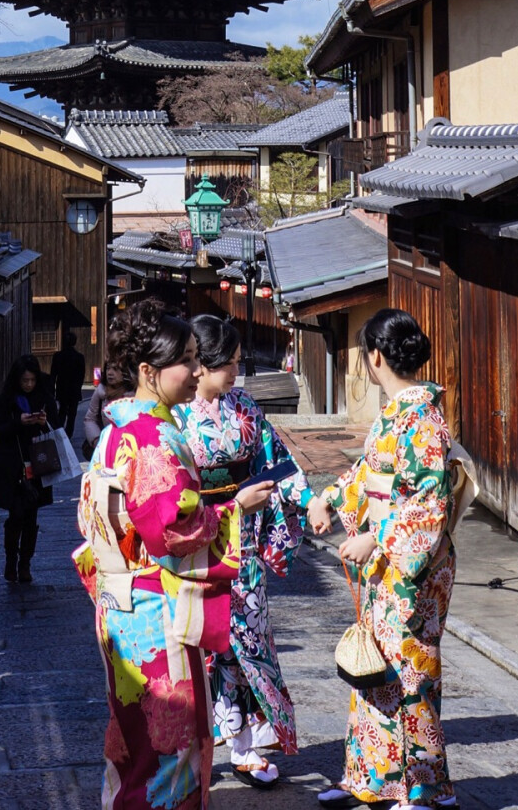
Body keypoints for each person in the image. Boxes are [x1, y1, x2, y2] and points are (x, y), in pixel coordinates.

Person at [75, 298, 275, 810]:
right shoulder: (155, 436)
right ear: (148, 371)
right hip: (154, 607)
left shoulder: (116, 429)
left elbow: (91, 519)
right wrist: (234, 509)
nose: (195, 371)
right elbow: (173, 533)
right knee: (170, 748)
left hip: (119, 603)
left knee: (133, 744)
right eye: (186, 360)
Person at [307, 309, 459, 810]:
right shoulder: (400, 413)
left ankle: (424, 788)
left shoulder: (421, 417)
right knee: (377, 670)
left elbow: (428, 502)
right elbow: (369, 474)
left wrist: (375, 537)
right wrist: (330, 497)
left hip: (412, 567)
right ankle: (374, 777)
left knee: (411, 671)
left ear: (375, 356)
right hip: (388, 565)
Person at [173, 315, 311, 788]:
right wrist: (227, 504)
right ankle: (193, 747)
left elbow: (276, 461)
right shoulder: (173, 416)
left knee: (245, 642)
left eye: (237, 363)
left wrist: (310, 504)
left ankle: (245, 745)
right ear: (200, 364)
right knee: (196, 643)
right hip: (194, 542)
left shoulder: (245, 407)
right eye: (227, 364)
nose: (235, 373)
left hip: (244, 541)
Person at [0, 355, 59, 584]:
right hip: (12, 466)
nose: (28, 385)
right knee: (15, 515)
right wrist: (18, 422)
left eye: (32, 380)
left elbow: (56, 427)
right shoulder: (6, 400)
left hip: (38, 464)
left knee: (31, 516)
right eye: (24, 380)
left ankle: (25, 564)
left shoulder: (44, 398)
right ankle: (11, 560)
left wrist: (43, 422)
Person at [81, 362, 126, 458]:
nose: (110, 373)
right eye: (108, 368)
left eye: (115, 369)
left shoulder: (136, 394)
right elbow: (90, 419)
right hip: (105, 447)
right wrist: (97, 440)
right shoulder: (101, 391)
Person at [50, 329, 86, 437]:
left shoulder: (58, 356)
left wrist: (52, 388)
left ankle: (60, 433)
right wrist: (79, 386)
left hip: (62, 387)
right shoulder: (79, 357)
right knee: (72, 413)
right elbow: (81, 375)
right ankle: (69, 433)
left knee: (62, 411)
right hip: (74, 389)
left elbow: (53, 374)